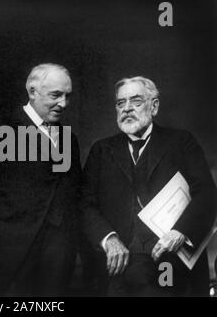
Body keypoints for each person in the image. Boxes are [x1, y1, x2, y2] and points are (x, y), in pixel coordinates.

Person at [81, 76, 216, 296]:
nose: (126, 109)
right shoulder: (101, 150)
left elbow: (207, 195)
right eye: (120, 103)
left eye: (135, 101)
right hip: (118, 264)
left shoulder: (181, 142)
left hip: (170, 263)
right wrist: (109, 239)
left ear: (154, 106)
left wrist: (180, 232)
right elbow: (85, 203)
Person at [0, 63, 82, 296]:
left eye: (68, 96)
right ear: (32, 91)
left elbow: (73, 196)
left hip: (58, 260)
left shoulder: (69, 139)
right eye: (56, 95)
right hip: (10, 257)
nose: (63, 104)